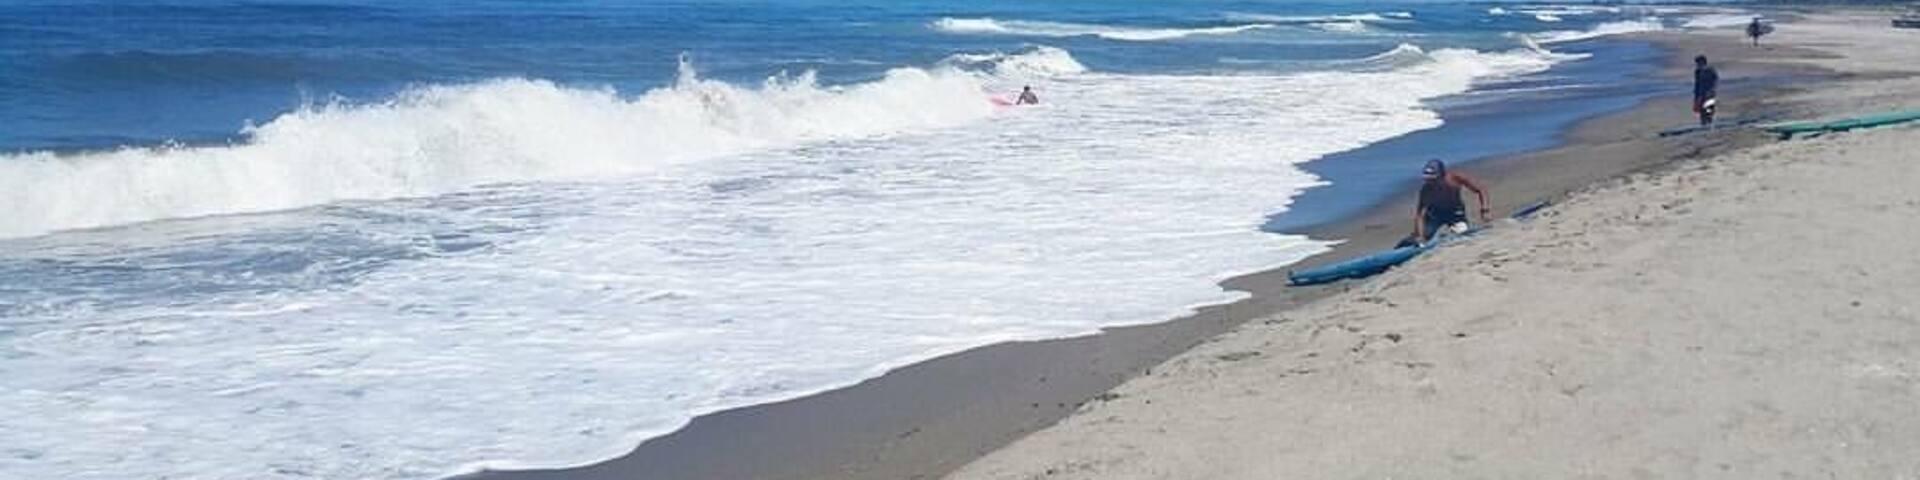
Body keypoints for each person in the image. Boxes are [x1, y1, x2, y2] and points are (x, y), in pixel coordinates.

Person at [1406, 159, 1490, 246]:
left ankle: (1450, 233)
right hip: (1435, 214)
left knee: (1462, 233)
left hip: (1455, 212)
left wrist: (1485, 210)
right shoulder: (1426, 190)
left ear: (1441, 175)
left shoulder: (1455, 179)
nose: (1430, 182)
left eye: (1433, 179)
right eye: (1428, 179)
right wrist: (1420, 235)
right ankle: (1404, 244)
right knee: (1424, 236)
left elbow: (1481, 190)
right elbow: (1420, 214)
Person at [1692, 55, 1719, 126]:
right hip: (1701, 94)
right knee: (1702, 111)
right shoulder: (1697, 72)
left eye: (1698, 63)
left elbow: (1715, 80)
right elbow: (1697, 84)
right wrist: (1696, 96)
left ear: (1703, 62)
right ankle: (1704, 125)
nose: (1697, 65)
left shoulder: (1710, 70)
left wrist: (1711, 90)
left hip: (1709, 93)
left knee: (1708, 110)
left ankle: (1710, 124)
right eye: (1697, 63)